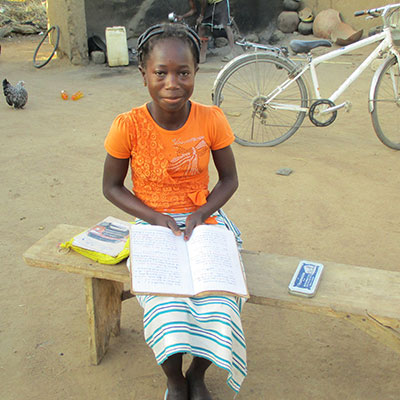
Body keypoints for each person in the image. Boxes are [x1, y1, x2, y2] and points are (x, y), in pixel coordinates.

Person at [102, 23, 247, 400]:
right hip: (154, 226)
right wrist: (154, 217)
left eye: (183, 73)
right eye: (160, 73)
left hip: (204, 221)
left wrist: (202, 213)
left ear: (196, 73)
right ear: (143, 75)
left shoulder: (211, 119)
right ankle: (174, 379)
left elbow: (229, 179)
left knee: (221, 300)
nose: (172, 83)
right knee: (169, 309)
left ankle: (198, 375)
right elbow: (112, 187)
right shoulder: (128, 126)